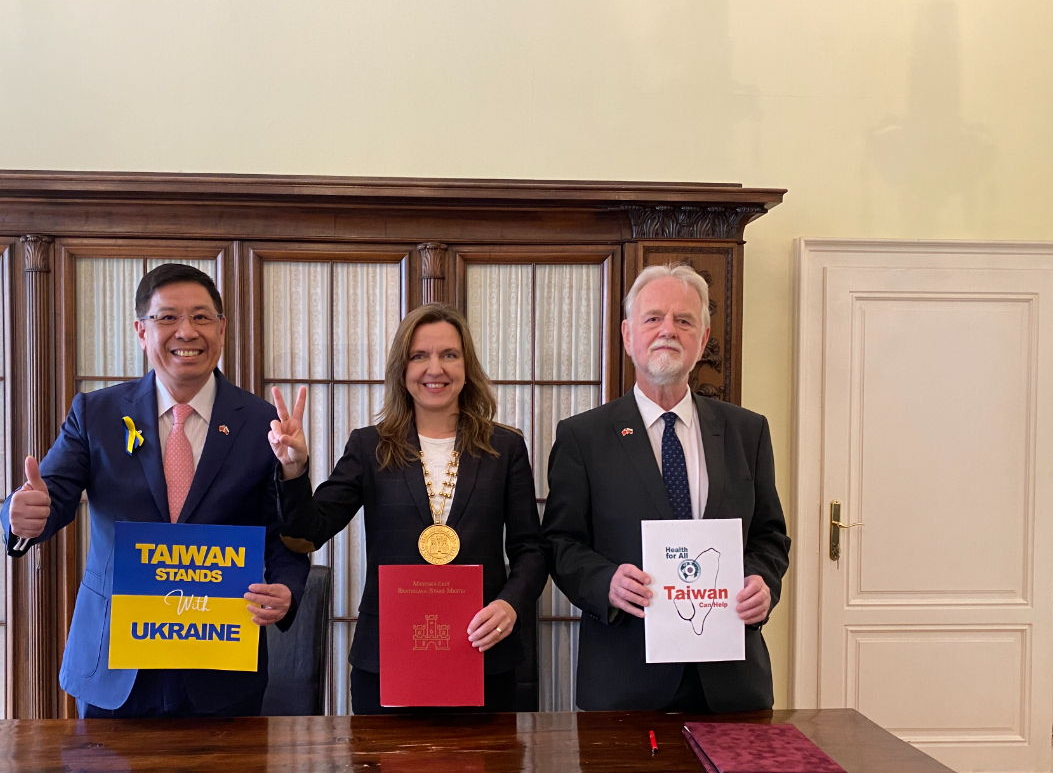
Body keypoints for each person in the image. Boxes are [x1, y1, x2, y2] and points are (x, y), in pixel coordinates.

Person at [0, 263, 309, 718]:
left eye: (201, 317)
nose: (187, 331)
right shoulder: (96, 413)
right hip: (115, 662)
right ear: (141, 331)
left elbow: (284, 533)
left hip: (219, 667)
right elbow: (51, 497)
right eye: (167, 318)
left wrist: (285, 587)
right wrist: (22, 516)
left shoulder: (263, 423)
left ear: (221, 330)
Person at [268, 304, 547, 714]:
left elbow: (531, 549)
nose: (435, 368)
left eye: (449, 355)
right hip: (387, 658)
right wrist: (293, 470)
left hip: (482, 654)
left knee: (487, 760)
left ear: (467, 366)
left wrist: (510, 605)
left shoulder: (504, 448)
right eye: (419, 356)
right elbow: (308, 532)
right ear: (402, 369)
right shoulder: (369, 447)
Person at [542, 264, 789, 712]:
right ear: (627, 335)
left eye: (684, 320)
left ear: (703, 338)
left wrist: (762, 582)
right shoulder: (583, 437)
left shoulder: (747, 431)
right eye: (653, 318)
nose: (668, 331)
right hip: (625, 679)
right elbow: (561, 542)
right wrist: (605, 583)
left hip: (730, 681)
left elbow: (770, 536)